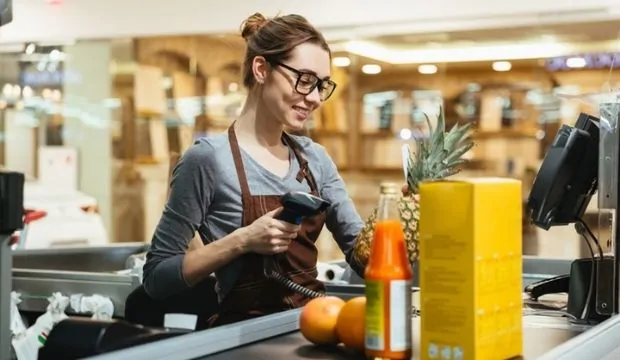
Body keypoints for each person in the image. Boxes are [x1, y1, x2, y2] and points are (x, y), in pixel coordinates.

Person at [142, 12, 369, 328]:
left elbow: (363, 257)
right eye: (305, 80)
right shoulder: (208, 160)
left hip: (313, 328)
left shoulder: (315, 158)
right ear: (261, 69)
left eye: (322, 85)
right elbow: (157, 278)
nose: (316, 98)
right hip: (242, 338)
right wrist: (242, 241)